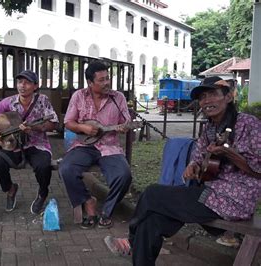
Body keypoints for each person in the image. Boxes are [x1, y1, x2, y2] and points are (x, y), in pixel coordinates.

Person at [104, 76, 261, 266]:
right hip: (209, 195)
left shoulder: (248, 124)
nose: (207, 101)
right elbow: (199, 157)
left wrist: (230, 153)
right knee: (151, 222)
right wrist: (193, 166)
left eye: (213, 94)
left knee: (153, 193)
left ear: (228, 97)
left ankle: (131, 242)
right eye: (203, 97)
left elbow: (258, 170)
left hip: (234, 201)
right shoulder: (210, 128)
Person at [58, 60, 132, 229]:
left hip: (110, 146)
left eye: (108, 78)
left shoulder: (118, 97)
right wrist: (82, 127)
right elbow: (68, 122)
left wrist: (125, 128)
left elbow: (126, 122)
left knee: (124, 175)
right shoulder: (79, 96)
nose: (106, 83)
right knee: (66, 169)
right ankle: (88, 202)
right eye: (101, 80)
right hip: (84, 145)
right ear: (90, 83)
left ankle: (107, 211)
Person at [0, 70, 59, 214]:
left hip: (37, 143)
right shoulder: (9, 101)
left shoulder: (43, 100)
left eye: (27, 82)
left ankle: (43, 193)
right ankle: (10, 189)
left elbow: (54, 123)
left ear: (35, 86)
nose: (22, 86)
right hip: (13, 144)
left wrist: (36, 127)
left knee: (43, 165)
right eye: (20, 82)